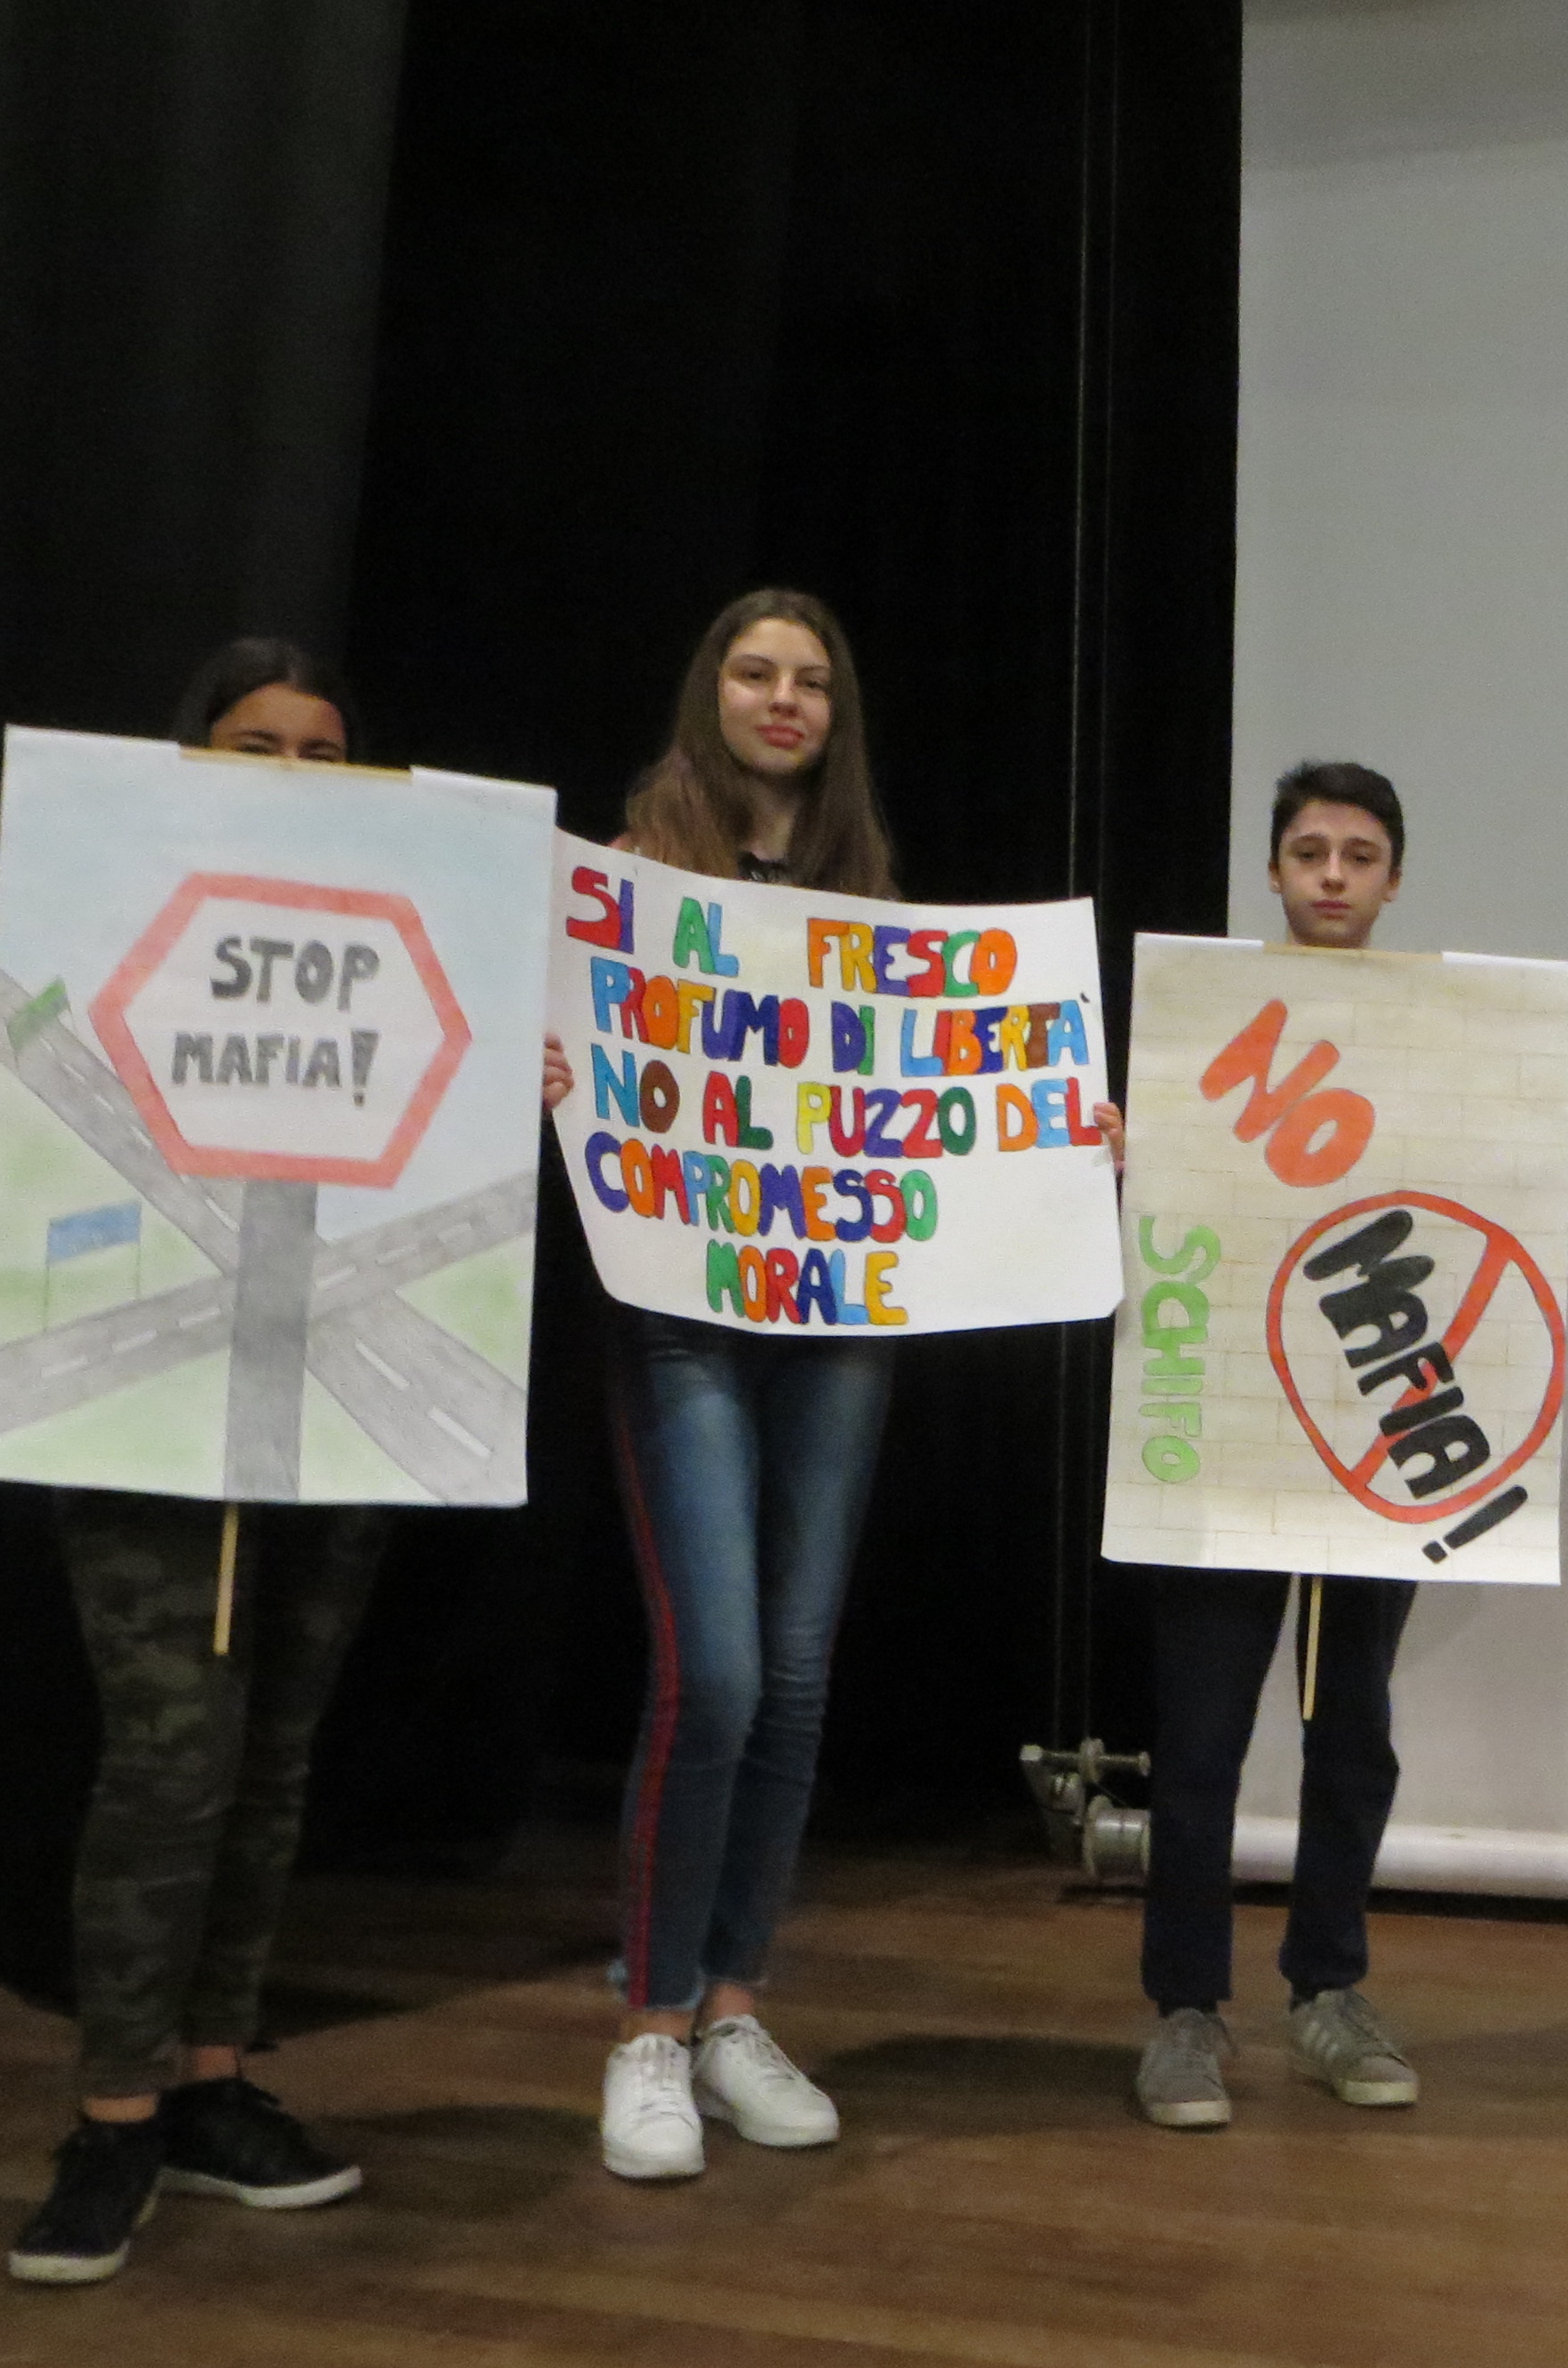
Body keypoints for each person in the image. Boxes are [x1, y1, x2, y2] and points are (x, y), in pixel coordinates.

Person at [9, 639, 396, 2285]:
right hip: (146, 1388)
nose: (292, 773)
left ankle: (213, 2084)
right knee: (173, 1760)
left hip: (344, 1389)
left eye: (323, 751)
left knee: (277, 1755)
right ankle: (114, 2119)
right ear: (194, 756)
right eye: (257, 744)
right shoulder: (103, 905)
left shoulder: (399, 929)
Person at [537, 589, 900, 2183]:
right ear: (712, 693)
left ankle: (736, 2005)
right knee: (721, 1675)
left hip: (839, 1323)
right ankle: (650, 2024)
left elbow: (945, 1087)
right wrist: (555, 1069)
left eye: (810, 679)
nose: (783, 698)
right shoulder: (630, 881)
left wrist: (1055, 1135)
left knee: (799, 1679)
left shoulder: (873, 901)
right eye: (756, 672)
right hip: (681, 1314)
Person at [1095, 763, 1427, 2131]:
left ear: (1393, 878)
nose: (1333, 875)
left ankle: (1328, 1991)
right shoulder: (1207, 1026)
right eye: (1309, 851)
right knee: (1201, 1739)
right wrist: (1129, 1153)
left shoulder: (1440, 1037)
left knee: (1353, 1732)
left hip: (1377, 1435)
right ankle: (1186, 2010)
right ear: (1275, 871)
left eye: (1359, 854)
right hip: (1227, 1424)